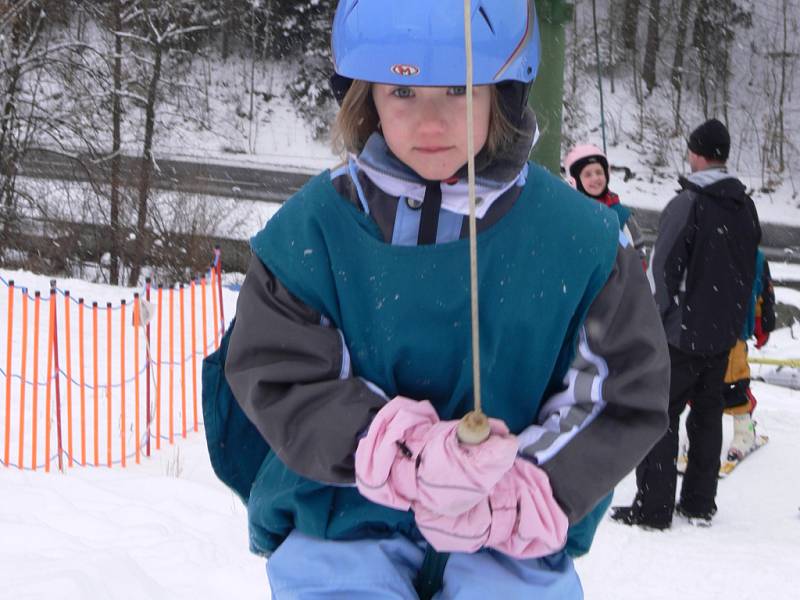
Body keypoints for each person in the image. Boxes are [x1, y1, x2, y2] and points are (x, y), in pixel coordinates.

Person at [209, 1, 669, 597]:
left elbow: (620, 389)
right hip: (340, 523)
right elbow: (282, 372)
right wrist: (403, 456)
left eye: (457, 90)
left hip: (511, 544)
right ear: (365, 98)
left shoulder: (580, 245)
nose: (430, 123)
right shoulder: (315, 231)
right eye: (403, 94)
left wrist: (523, 488)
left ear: (501, 95)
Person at [612, 118, 761, 530]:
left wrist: (655, 321)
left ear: (696, 154)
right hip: (721, 334)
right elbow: (747, 272)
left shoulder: (690, 202)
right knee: (708, 415)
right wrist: (734, 324)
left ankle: (654, 508)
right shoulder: (744, 205)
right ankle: (698, 503)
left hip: (681, 332)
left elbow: (664, 269)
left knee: (661, 414)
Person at [723, 249, 775, 461]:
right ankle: (698, 432)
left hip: (735, 331)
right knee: (700, 385)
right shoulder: (703, 239)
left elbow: (762, 294)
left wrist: (763, 326)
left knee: (735, 381)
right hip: (704, 330)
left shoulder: (755, 256)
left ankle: (744, 432)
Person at [563, 143, 647, 265]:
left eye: (599, 172)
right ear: (574, 180)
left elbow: (634, 250)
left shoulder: (619, 215)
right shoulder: (569, 213)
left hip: (614, 282)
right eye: (588, 174)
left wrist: (634, 276)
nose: (595, 178)